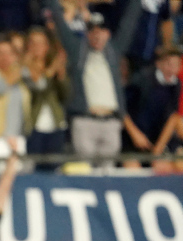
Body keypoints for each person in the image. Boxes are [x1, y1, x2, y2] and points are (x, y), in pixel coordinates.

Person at [48, 0, 143, 162]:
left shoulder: (114, 52)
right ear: (87, 34)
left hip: (111, 122)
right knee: (85, 171)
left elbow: (130, 21)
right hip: (85, 120)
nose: (97, 35)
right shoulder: (77, 51)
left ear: (108, 34)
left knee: (107, 175)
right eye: (93, 31)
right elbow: (59, 20)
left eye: (102, 31)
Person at [123, 44, 182, 168]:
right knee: (132, 168)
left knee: (166, 166)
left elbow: (172, 118)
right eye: (169, 64)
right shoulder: (142, 80)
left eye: (176, 65)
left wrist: (158, 150)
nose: (172, 70)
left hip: (157, 141)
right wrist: (135, 134)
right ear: (159, 64)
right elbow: (122, 110)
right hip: (134, 139)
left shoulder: (176, 85)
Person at [23, 26, 69, 159]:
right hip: (33, 126)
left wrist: (61, 77)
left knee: (54, 167)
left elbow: (66, 95)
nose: (37, 47)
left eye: (41, 43)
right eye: (33, 43)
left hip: (56, 124)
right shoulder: (23, 68)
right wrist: (52, 70)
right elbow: (39, 87)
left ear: (47, 46)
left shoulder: (53, 68)